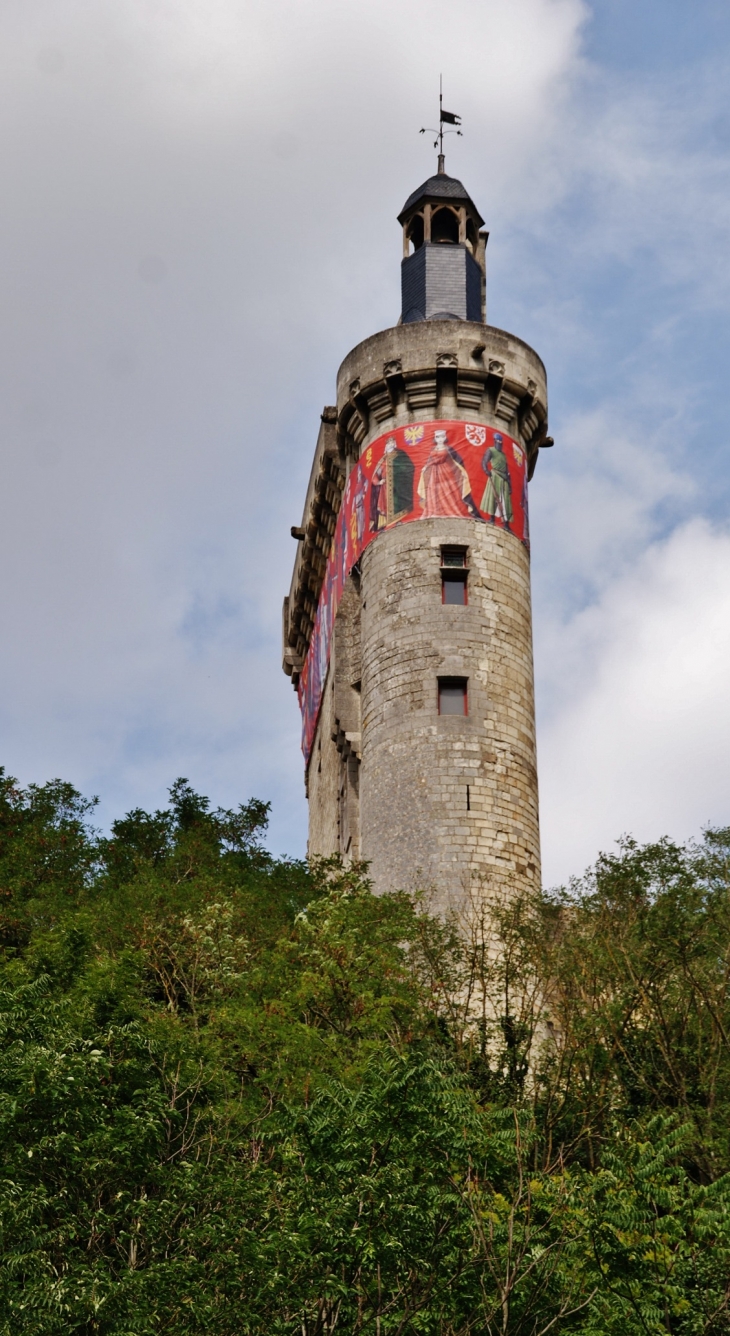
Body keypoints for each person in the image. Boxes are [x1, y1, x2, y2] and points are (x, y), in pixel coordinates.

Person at [416, 430, 481, 518]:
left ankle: (451, 511)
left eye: (442, 437)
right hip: (434, 473)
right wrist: (425, 468)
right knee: (433, 491)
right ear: (435, 438)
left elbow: (449, 460)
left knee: (448, 491)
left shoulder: (448, 448)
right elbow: (430, 460)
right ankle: (435, 511)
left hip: (445, 472)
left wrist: (462, 471)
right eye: (437, 437)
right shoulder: (433, 449)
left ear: (445, 437)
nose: (440, 439)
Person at [369, 438, 415, 530]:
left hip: (398, 485)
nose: (391, 444)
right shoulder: (383, 459)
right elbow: (376, 474)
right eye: (389, 442)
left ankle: (397, 521)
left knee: (397, 503)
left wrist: (398, 473)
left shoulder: (400, 454)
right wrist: (378, 482)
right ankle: (385, 525)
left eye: (392, 442)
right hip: (385, 486)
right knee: (385, 506)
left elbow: (409, 466)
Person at [480, 433, 513, 529]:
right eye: (498, 441)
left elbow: (507, 471)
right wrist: (486, 471)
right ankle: (491, 519)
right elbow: (484, 462)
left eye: (500, 442)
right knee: (493, 498)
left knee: (505, 501)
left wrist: (510, 485)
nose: (499, 443)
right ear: (495, 441)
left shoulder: (503, 455)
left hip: (504, 479)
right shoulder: (491, 450)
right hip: (494, 476)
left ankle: (506, 524)